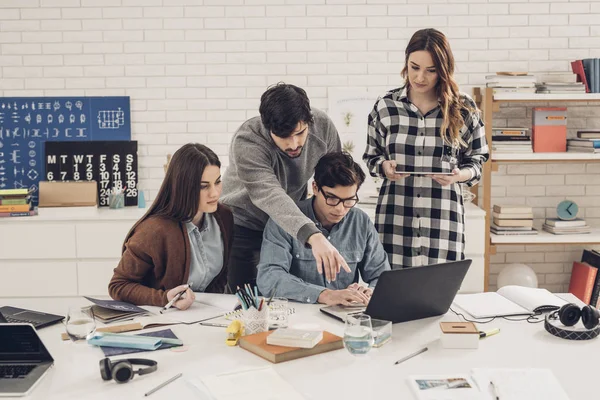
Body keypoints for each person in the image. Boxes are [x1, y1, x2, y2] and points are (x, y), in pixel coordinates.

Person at [363, 28, 489, 269]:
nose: (420, 77)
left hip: (443, 223)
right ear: (406, 63)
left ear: (443, 70)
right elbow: (371, 157)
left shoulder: (463, 108)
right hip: (395, 220)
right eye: (414, 67)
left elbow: (478, 159)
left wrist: (459, 176)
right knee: (392, 298)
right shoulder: (386, 107)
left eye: (431, 70)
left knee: (437, 301)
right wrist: (384, 167)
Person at [221, 83, 348, 290]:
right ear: (267, 126)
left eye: (300, 133)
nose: (293, 144)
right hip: (244, 225)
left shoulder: (322, 126)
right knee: (246, 300)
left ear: (309, 121)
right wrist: (313, 235)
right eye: (283, 137)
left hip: (290, 226)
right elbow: (270, 194)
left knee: (290, 294)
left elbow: (336, 175)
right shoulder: (247, 140)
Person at [108, 143, 234, 308]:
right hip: (162, 317)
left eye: (217, 182)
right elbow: (118, 286)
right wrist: (166, 298)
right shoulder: (154, 230)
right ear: (184, 187)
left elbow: (221, 277)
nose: (215, 193)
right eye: (204, 186)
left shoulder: (224, 218)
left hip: (204, 315)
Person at [257, 152, 391, 306]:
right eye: (332, 198)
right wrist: (323, 295)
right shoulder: (285, 220)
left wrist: (372, 291)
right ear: (315, 187)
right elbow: (269, 277)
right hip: (298, 316)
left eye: (349, 200)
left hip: (345, 318)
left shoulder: (361, 222)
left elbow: (381, 275)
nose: (340, 209)